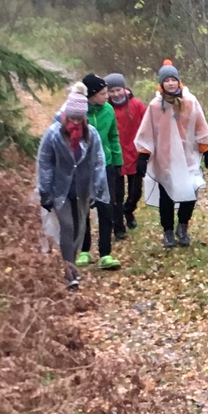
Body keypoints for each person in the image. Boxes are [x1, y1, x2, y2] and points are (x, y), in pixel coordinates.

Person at [36, 89, 109, 291]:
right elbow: (45, 163)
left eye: (79, 118)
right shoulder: (53, 134)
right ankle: (70, 272)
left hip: (83, 189)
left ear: (84, 117)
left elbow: (98, 162)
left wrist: (97, 188)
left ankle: (71, 261)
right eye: (72, 118)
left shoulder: (91, 134)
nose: (75, 122)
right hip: (60, 190)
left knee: (79, 229)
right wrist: (45, 192)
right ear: (66, 115)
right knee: (67, 226)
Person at [135, 64, 208, 248]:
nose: (170, 83)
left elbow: (200, 125)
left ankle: (183, 226)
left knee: (191, 191)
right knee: (167, 195)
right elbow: (148, 131)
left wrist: (207, 149)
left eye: (173, 80)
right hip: (165, 158)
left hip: (188, 156)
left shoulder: (190, 101)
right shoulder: (156, 106)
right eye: (167, 80)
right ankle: (168, 231)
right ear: (161, 84)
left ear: (179, 81)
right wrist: (143, 156)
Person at [81, 74, 122, 270]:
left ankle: (105, 253)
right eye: (103, 93)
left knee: (106, 208)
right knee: (83, 207)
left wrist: (118, 160)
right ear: (91, 95)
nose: (108, 96)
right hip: (82, 166)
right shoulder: (78, 112)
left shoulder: (108, 110)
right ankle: (84, 250)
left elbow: (114, 136)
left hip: (106, 165)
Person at [107, 73, 147, 233]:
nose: (116, 94)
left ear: (124, 89)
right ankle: (118, 226)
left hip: (135, 154)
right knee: (116, 194)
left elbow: (148, 125)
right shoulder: (106, 108)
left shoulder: (136, 104)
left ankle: (128, 210)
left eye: (118, 90)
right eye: (111, 91)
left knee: (136, 192)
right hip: (115, 156)